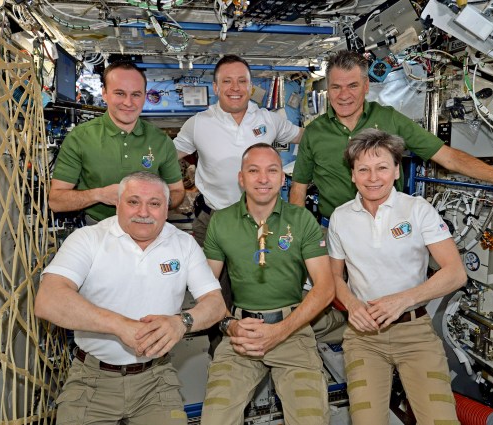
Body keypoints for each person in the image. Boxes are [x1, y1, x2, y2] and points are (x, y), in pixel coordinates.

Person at [35, 171, 225, 425]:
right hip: (92, 381)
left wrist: (182, 322)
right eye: (133, 202)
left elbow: (215, 304)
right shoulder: (89, 239)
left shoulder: (183, 245)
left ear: (167, 208)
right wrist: (120, 326)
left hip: (156, 380)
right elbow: (48, 299)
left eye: (154, 204)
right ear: (117, 203)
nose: (144, 212)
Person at [290, 49, 493, 224]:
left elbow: (448, 157)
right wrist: (301, 239)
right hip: (336, 229)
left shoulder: (390, 119)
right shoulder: (314, 133)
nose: (343, 94)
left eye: (353, 85)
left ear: (366, 87)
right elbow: (299, 190)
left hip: (389, 228)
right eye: (336, 87)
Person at [327, 129, 467, 424]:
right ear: (352, 175)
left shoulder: (417, 210)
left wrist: (402, 300)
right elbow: (334, 279)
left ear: (395, 171)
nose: (373, 177)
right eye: (363, 169)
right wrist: (353, 306)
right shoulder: (341, 217)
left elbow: (455, 273)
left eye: (382, 168)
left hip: (414, 333)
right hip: (364, 337)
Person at [199, 143, 335, 425]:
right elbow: (207, 289)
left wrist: (281, 331)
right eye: (254, 171)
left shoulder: (302, 221)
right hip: (241, 332)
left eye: (272, 171)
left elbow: (325, 288)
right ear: (241, 178)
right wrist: (229, 325)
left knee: (311, 419)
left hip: (292, 331)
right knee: (215, 418)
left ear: (282, 179)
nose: (263, 179)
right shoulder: (221, 223)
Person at [174, 54, 303, 246]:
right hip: (213, 218)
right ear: (216, 88)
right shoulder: (197, 123)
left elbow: (308, 138)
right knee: (210, 276)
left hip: (261, 219)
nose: (235, 87)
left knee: (258, 273)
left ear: (250, 87)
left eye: (242, 81)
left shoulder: (269, 120)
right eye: (227, 81)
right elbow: (166, 156)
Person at [49, 61, 185, 224]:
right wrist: (99, 195)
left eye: (135, 94)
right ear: (105, 94)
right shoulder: (80, 137)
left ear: (144, 95)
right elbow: (56, 201)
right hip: (98, 229)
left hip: (149, 227)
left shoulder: (161, 141)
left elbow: (177, 191)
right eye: (120, 93)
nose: (128, 102)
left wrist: (155, 205)